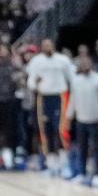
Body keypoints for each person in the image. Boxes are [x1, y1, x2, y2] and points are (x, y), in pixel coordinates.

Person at [27, 39, 74, 171]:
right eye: (45, 45)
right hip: (43, 97)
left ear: (53, 46)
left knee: (60, 127)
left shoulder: (63, 60)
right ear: (41, 47)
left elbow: (71, 78)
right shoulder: (36, 61)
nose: (47, 47)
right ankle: (50, 158)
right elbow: (31, 80)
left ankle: (63, 157)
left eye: (49, 45)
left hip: (59, 96)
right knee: (45, 128)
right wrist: (35, 84)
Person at [67, 54, 98, 181]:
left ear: (91, 64)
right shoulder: (76, 80)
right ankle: (82, 173)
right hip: (81, 120)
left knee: (96, 149)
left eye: (87, 63)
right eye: (82, 63)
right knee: (81, 148)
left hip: (95, 120)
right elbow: (73, 99)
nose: (84, 65)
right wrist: (69, 115)